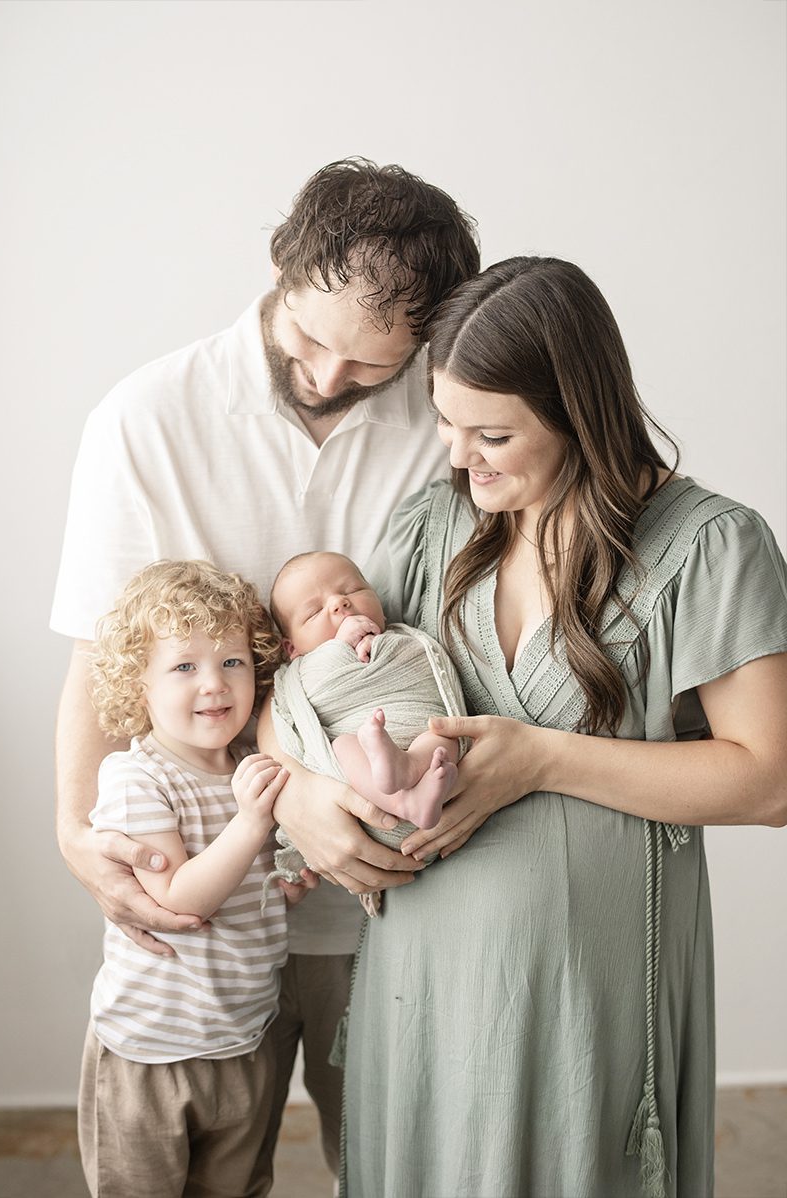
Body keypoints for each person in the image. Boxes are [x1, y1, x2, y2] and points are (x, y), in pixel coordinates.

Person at [259, 257, 787, 1198]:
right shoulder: (432, 528)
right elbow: (310, 693)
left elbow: (769, 780)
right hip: (417, 986)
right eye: (446, 425)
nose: (460, 458)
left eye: (492, 432)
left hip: (584, 1000)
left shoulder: (711, 545)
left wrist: (541, 758)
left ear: (578, 410)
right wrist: (297, 792)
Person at [51, 157, 480, 1188]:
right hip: (201, 895)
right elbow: (97, 662)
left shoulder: (447, 424)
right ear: (280, 270)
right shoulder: (145, 418)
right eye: (308, 342)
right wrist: (74, 834)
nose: (329, 377)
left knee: (390, 1164)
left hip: (391, 898)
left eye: (372, 365)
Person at [79, 559, 316, 1197]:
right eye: (184, 666)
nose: (214, 684)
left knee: (235, 1188)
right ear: (138, 684)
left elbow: (256, 879)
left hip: (243, 1038)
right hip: (152, 1051)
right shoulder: (137, 778)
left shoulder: (249, 763)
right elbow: (178, 901)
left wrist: (285, 878)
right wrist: (250, 822)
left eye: (233, 662)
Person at [269, 551, 464, 832]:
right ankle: (404, 803)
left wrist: (380, 647)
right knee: (343, 747)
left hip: (419, 739)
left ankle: (408, 767)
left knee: (445, 735)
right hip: (362, 767)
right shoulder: (303, 670)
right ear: (292, 649)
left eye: (353, 590)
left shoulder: (404, 638)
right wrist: (340, 649)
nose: (339, 603)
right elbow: (310, 696)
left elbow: (426, 666)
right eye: (313, 612)